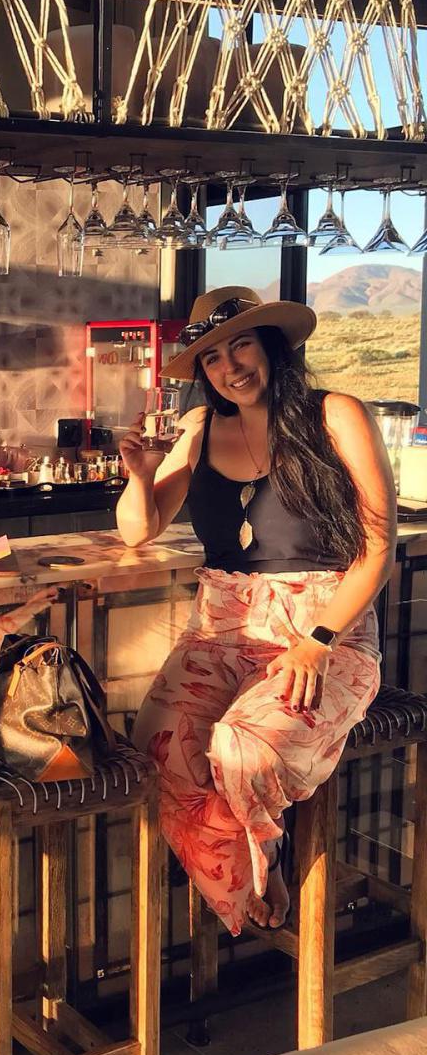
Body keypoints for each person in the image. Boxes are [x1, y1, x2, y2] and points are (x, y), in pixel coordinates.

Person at [117, 286, 394, 935]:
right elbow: (137, 531)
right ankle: (246, 874)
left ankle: (264, 856)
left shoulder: (336, 415)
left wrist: (318, 641)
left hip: (322, 633)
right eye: (212, 357)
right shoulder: (197, 428)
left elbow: (379, 547)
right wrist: (140, 474)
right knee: (155, 751)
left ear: (271, 346)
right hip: (220, 630)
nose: (230, 367)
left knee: (241, 750)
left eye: (241, 344)